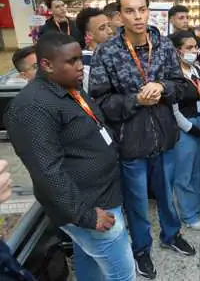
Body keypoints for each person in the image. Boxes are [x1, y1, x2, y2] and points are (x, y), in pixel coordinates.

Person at [5, 32, 135, 281]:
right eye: (71, 61)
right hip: (90, 207)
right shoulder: (33, 107)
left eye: (80, 59)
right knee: (122, 273)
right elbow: (47, 171)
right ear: (47, 65)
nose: (80, 67)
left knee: (89, 259)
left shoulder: (68, 88)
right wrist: (85, 215)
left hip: (102, 194)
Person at [89, 0, 195, 279]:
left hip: (165, 137)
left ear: (149, 11)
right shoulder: (107, 52)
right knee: (136, 201)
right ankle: (141, 249)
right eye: (129, 11)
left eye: (141, 10)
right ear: (119, 16)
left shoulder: (162, 45)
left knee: (166, 194)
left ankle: (171, 235)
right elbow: (98, 102)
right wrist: (135, 100)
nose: (137, 16)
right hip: (130, 142)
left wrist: (162, 88)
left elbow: (181, 85)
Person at [169, 30, 200, 231]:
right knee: (184, 173)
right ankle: (188, 213)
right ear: (177, 51)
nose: (194, 51)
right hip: (185, 128)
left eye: (195, 47)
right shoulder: (172, 75)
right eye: (188, 48)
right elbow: (174, 110)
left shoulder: (196, 69)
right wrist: (195, 130)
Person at [75, 7, 114, 92]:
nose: (110, 31)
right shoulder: (85, 63)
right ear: (89, 34)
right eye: (102, 28)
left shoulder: (114, 52)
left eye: (109, 25)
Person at [168, 5, 200, 74]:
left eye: (187, 18)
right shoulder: (167, 41)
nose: (186, 21)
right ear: (171, 20)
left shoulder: (197, 40)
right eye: (181, 18)